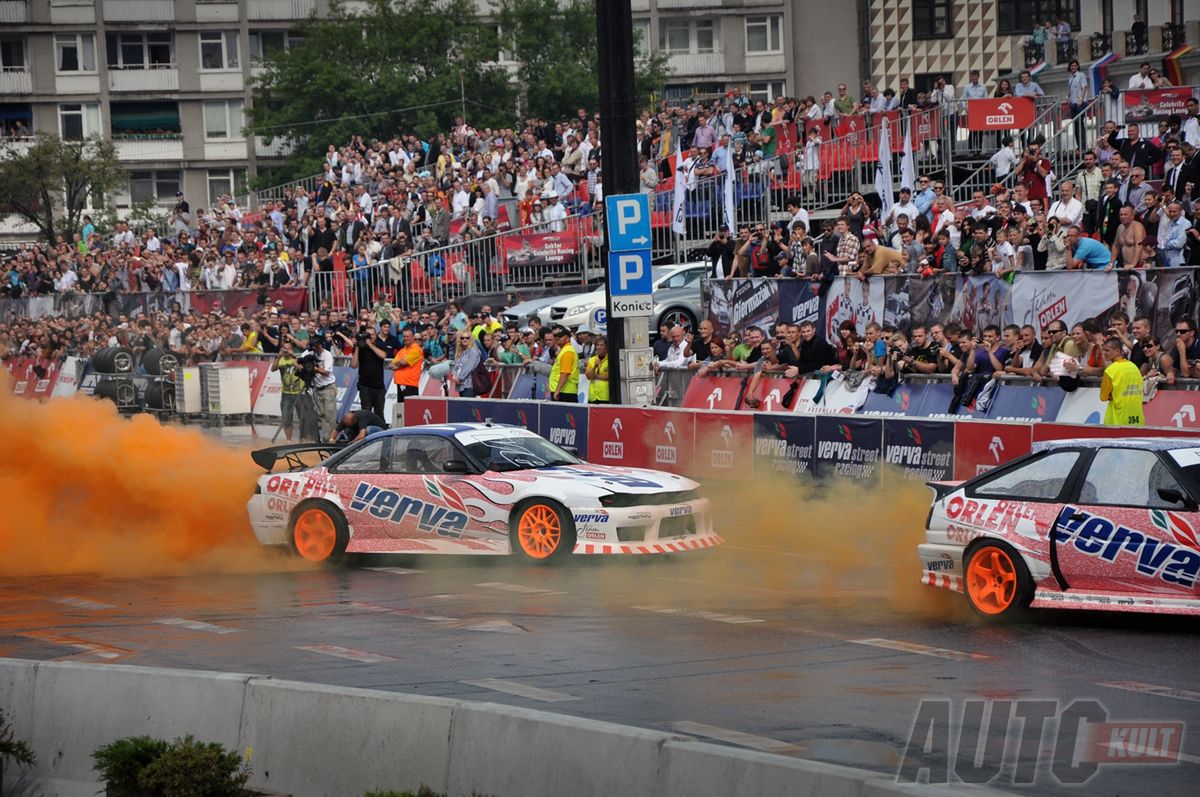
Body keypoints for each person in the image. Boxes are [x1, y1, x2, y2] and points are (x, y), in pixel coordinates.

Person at [348, 319, 395, 420]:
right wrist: (356, 348)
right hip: (364, 385)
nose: (370, 337)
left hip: (378, 386)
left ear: (376, 335)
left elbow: (383, 356)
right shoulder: (361, 347)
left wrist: (370, 345)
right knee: (366, 411)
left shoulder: (380, 345)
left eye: (373, 334)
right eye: (368, 334)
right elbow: (353, 365)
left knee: (379, 413)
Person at [1100, 337, 1144, 426]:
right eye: (1103, 350)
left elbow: (1103, 397)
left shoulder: (1110, 371)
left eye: (1107, 350)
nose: (1104, 353)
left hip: (1117, 419)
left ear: (1117, 351)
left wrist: (1113, 394)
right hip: (1137, 417)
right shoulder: (1134, 367)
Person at [271, 340, 305, 443]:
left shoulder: (297, 358)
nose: (286, 351)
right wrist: (278, 356)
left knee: (302, 417)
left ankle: (302, 439)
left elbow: (301, 368)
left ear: (292, 349)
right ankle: (289, 440)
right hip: (286, 393)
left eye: (288, 348)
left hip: (299, 393)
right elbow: (273, 369)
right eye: (284, 348)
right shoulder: (280, 360)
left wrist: (293, 356)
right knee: (286, 418)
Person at [387, 325, 424, 408]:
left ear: (413, 337)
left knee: (410, 410)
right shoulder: (403, 350)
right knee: (401, 409)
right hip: (401, 383)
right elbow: (391, 365)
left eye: (408, 336)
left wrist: (401, 363)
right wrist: (401, 364)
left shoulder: (416, 350)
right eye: (404, 336)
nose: (406, 338)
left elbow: (403, 362)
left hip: (410, 384)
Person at [308, 338, 337, 442]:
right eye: (314, 346)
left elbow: (327, 372)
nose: (315, 348)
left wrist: (315, 369)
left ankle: (330, 438)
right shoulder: (311, 354)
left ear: (321, 345)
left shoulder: (327, 354)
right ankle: (324, 438)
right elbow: (300, 360)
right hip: (317, 388)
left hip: (328, 387)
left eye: (317, 345)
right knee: (321, 415)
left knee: (330, 415)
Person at [548, 325, 580, 402]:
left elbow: (565, 373)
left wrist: (557, 390)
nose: (558, 338)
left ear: (568, 338)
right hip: (563, 391)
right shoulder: (565, 350)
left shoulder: (567, 352)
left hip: (564, 392)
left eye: (561, 336)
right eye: (557, 336)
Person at [585, 335, 610, 403]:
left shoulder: (610, 359)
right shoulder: (592, 360)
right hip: (593, 396)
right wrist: (594, 367)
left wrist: (596, 376)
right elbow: (588, 376)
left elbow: (609, 376)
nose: (599, 347)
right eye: (597, 345)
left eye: (602, 345)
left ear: (607, 346)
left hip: (605, 396)